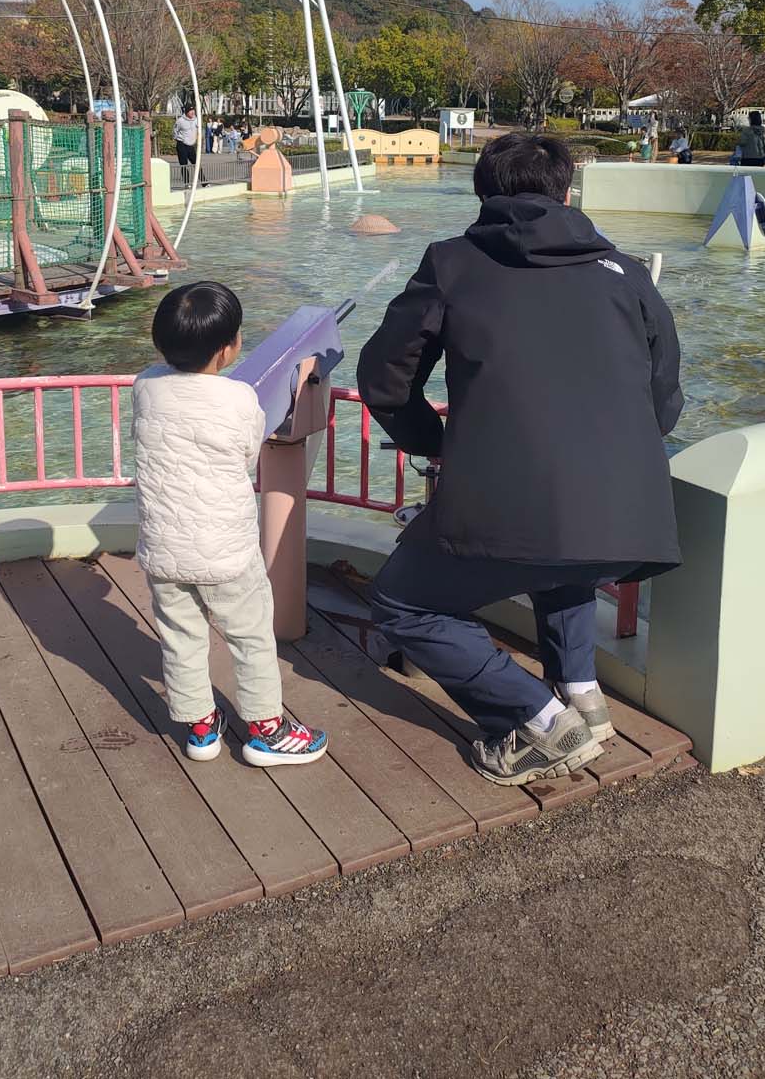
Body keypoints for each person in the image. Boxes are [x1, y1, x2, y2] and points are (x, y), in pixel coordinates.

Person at [357, 133, 682, 787]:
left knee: (402, 604)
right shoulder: (627, 273)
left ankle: (536, 719)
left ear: (482, 194)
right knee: (563, 554)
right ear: (567, 195)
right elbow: (664, 397)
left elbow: (384, 379)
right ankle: (581, 693)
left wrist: (433, 441)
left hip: (504, 506)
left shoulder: (451, 263)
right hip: (630, 514)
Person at [131, 281, 328, 766]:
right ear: (228, 348)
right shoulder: (239, 398)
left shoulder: (145, 386)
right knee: (251, 636)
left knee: (180, 635)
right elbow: (246, 451)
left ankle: (200, 727)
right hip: (226, 551)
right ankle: (267, 730)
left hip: (163, 547)